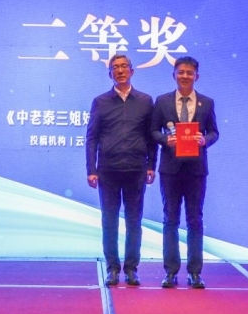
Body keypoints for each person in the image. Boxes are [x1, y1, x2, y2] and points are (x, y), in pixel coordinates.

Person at [86, 54, 157, 287]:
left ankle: (132, 268)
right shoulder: (100, 102)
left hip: (136, 170)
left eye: (124, 66)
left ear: (132, 71)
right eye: (115, 67)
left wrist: (151, 165)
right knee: (109, 221)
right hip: (108, 171)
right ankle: (113, 268)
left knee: (134, 222)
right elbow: (92, 137)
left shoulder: (145, 101)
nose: (120, 70)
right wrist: (91, 169)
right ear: (110, 74)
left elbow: (151, 137)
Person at [151, 56, 219, 289]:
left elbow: (214, 132)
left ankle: (195, 273)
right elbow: (152, 131)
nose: (185, 76)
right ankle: (170, 272)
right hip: (170, 169)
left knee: (195, 220)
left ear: (196, 76)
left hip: (196, 169)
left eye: (189, 73)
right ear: (174, 75)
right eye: (181, 72)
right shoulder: (162, 101)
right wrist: (165, 140)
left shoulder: (207, 103)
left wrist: (205, 140)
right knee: (170, 219)